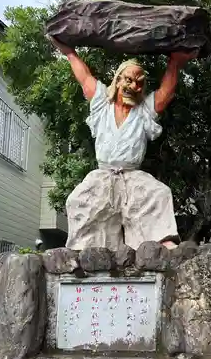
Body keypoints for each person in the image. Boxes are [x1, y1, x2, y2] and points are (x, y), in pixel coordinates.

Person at [50, 37, 197, 251]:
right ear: (118, 80)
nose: (134, 86)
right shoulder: (101, 104)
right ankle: (86, 250)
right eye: (128, 80)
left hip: (133, 177)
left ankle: (158, 244)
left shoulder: (144, 111)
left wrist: (174, 63)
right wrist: (69, 53)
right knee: (78, 201)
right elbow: (85, 78)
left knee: (159, 194)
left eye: (139, 82)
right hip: (103, 175)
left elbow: (165, 94)